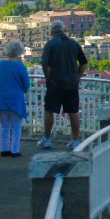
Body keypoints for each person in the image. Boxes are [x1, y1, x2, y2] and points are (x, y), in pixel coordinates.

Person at [38, 20, 87, 150]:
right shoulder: (73, 43)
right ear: (63, 30)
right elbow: (83, 63)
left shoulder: (50, 44)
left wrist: (49, 78)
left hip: (55, 83)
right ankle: (75, 140)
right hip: (71, 83)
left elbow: (46, 65)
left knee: (49, 110)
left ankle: (47, 139)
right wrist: (78, 76)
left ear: (51, 31)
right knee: (73, 111)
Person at [0, 40, 30, 157]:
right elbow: (26, 85)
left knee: (4, 125)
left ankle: (4, 149)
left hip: (1, 98)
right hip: (16, 99)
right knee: (16, 126)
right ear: (19, 52)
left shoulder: (0, 64)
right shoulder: (20, 66)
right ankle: (15, 150)